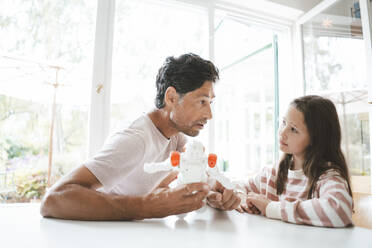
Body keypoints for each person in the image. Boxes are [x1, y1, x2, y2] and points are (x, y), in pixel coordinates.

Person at [40, 53, 240, 220]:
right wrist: (148, 207)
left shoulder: (176, 137)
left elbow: (178, 176)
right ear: (171, 97)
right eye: (202, 101)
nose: (209, 115)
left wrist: (214, 191)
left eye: (210, 103)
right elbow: (53, 200)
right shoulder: (136, 138)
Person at [235, 95, 353, 227]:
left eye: (293, 129)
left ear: (315, 139)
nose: (282, 133)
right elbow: (236, 186)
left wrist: (271, 208)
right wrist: (241, 197)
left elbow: (339, 210)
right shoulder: (272, 174)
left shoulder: (327, 177)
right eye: (284, 123)